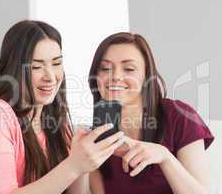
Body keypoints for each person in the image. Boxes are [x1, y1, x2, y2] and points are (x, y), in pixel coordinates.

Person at [0, 20, 125, 194]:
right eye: (36, 66)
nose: (51, 77)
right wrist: (74, 165)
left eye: (56, 63)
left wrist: (82, 165)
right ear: (14, 69)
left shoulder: (56, 124)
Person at [88, 32, 214, 194]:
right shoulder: (96, 137)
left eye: (129, 69)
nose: (116, 77)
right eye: (105, 68)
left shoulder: (180, 116)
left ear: (146, 76)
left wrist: (165, 158)